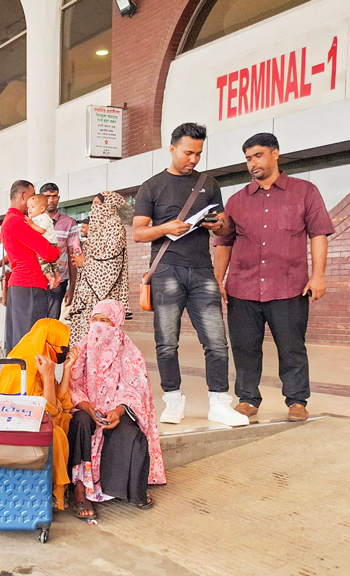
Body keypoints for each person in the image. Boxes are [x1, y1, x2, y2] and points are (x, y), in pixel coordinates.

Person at [213, 133, 335, 422]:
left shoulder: (305, 192)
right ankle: (247, 399)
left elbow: (318, 234)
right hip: (243, 288)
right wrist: (217, 280)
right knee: (245, 348)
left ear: (275, 154)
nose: (252, 163)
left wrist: (318, 275)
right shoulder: (237, 201)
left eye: (258, 155)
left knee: (292, 348)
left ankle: (297, 401)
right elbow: (224, 243)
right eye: (248, 158)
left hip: (289, 286)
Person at [132, 122, 247, 427]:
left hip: (202, 270)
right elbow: (139, 233)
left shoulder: (209, 184)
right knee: (167, 341)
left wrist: (217, 224)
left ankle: (219, 403)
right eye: (187, 153)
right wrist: (165, 228)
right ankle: (173, 400)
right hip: (166, 269)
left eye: (198, 153)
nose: (193, 159)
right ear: (172, 149)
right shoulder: (151, 186)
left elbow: (224, 227)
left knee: (216, 340)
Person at [67, 300, 166, 518]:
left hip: (116, 409)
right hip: (86, 407)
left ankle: (132, 490)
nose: (98, 326)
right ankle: (80, 491)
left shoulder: (130, 353)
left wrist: (118, 411)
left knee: (130, 433)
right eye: (95, 320)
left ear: (117, 323)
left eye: (105, 321)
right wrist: (87, 405)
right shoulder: (82, 349)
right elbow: (72, 385)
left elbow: (136, 389)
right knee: (81, 423)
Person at [0, 319, 74, 510]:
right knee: (57, 433)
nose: (65, 350)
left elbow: (62, 405)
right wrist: (47, 377)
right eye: (62, 345)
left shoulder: (42, 362)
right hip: (18, 427)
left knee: (70, 419)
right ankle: (54, 490)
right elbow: (46, 412)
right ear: (47, 342)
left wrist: (67, 369)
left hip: (37, 421)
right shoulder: (25, 369)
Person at [1, 179, 60, 353]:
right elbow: (48, 252)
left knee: (17, 340)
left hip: (19, 284)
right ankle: (25, 372)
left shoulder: (7, 221)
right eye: (32, 196)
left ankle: (17, 371)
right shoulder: (19, 221)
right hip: (30, 283)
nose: (34, 200)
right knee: (30, 341)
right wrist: (57, 251)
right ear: (22, 195)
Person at [67, 192, 131, 345]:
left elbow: (111, 265)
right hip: (88, 294)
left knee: (99, 338)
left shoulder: (114, 228)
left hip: (102, 297)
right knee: (83, 338)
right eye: (93, 204)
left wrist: (85, 263)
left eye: (98, 204)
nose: (93, 208)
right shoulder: (96, 229)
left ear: (109, 206)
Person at [40, 183, 83, 319]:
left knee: (52, 321)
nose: (51, 200)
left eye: (54, 196)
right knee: (34, 321)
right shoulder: (33, 222)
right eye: (47, 196)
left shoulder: (69, 223)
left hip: (59, 281)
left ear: (58, 198)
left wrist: (72, 287)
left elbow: (73, 255)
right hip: (37, 279)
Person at [25, 194, 62, 290]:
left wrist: (31, 224)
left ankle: (50, 278)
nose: (30, 210)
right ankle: (57, 276)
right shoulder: (35, 218)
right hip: (48, 242)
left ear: (42, 208)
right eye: (28, 207)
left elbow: (42, 230)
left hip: (48, 242)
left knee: (42, 261)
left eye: (33, 207)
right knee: (53, 262)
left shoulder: (43, 217)